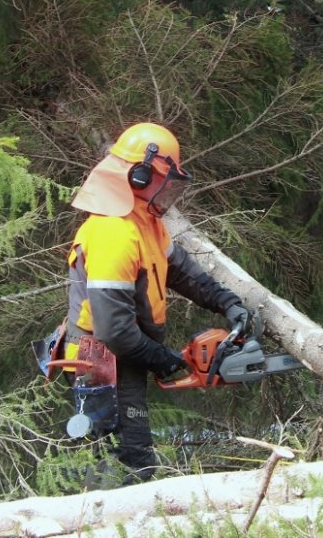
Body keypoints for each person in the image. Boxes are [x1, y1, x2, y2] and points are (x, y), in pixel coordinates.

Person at [63, 122, 248, 481]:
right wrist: (165, 360)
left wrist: (227, 302)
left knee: (130, 455)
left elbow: (182, 272)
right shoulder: (114, 232)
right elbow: (114, 330)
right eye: (165, 182)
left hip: (125, 356)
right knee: (126, 461)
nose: (168, 192)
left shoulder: (143, 222)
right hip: (102, 362)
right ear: (140, 176)